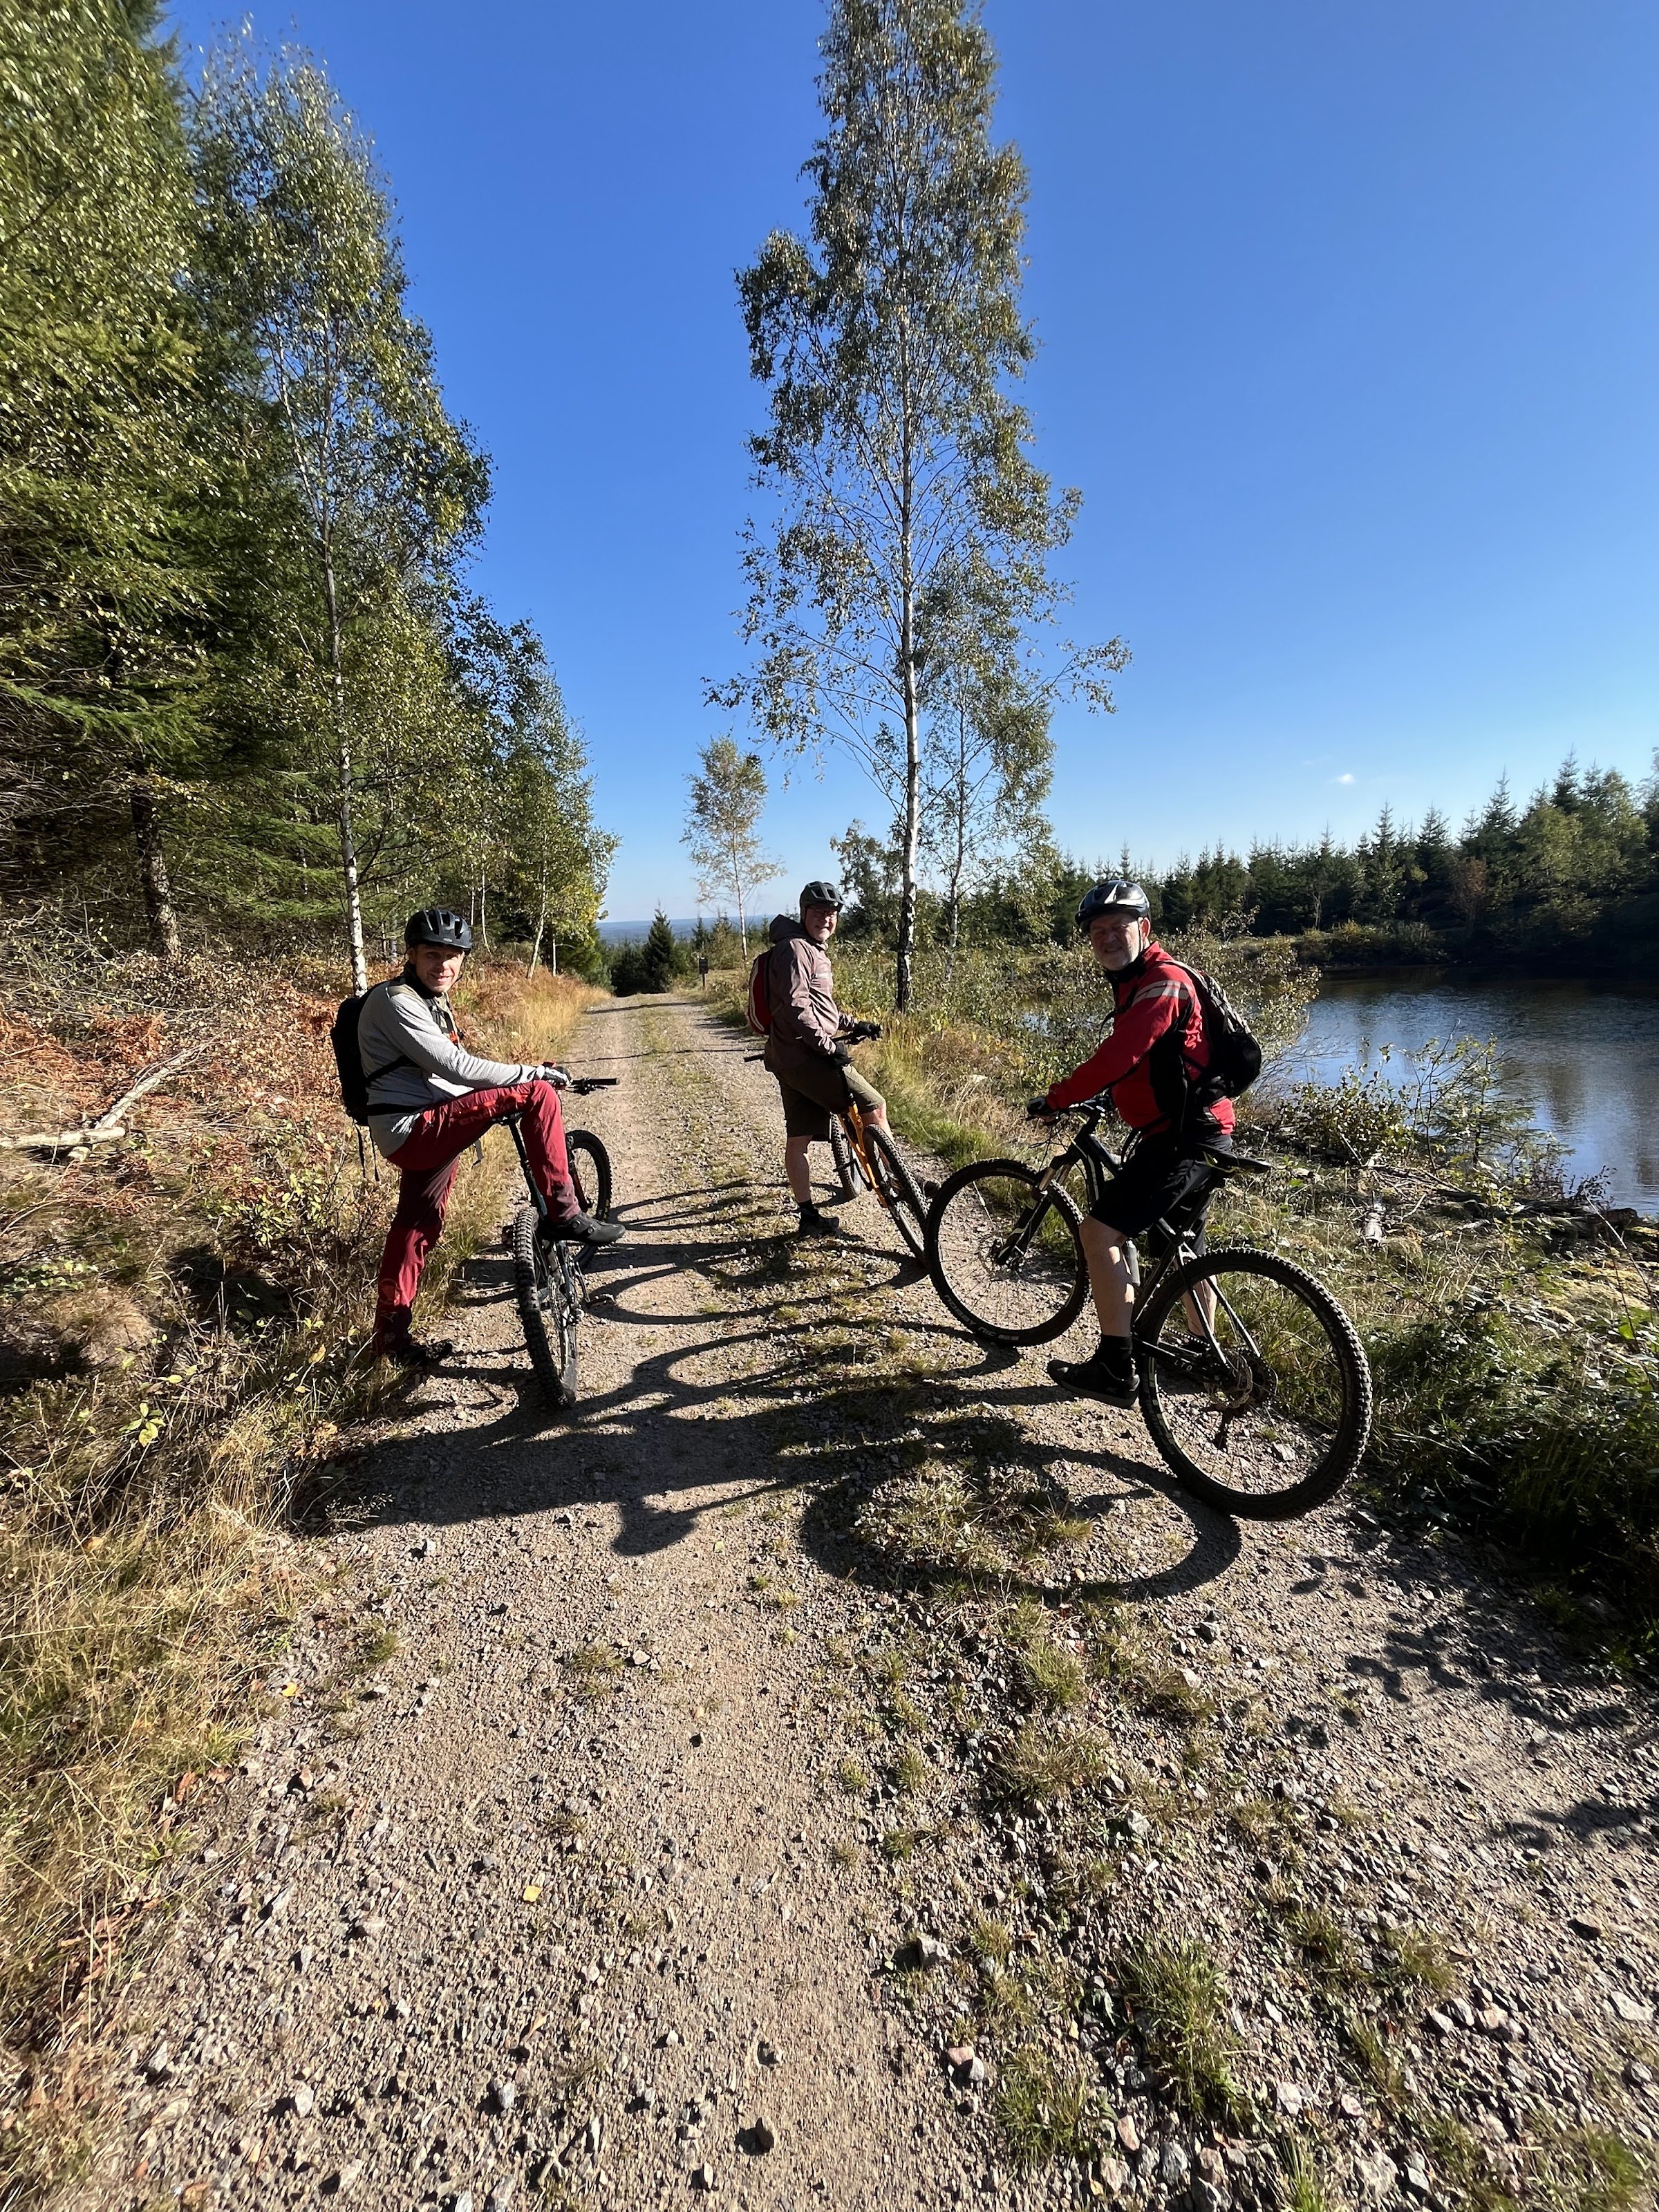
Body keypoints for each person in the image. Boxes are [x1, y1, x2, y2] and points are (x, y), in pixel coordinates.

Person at [362, 907, 624, 1369]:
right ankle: (563, 1213)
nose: (442, 965)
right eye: (431, 955)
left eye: (451, 956)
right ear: (411, 954)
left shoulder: (429, 1002)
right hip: (415, 1127)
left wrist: (511, 1082)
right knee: (537, 1094)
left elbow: (452, 1077)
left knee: (416, 1229)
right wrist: (532, 1074)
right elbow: (457, 1069)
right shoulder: (397, 1001)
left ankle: (392, 1342)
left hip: (417, 1127)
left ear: (462, 960)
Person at [1033, 881, 1233, 1405]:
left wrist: (1057, 1098)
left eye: (1117, 927)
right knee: (1181, 1247)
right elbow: (1157, 1058)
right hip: (1203, 1130)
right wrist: (1113, 1098)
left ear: (1144, 929)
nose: (1106, 938)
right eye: (1097, 931)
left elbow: (1121, 1053)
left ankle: (1115, 1368)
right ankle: (1201, 1353)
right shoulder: (1146, 980)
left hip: (1182, 1137)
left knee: (1099, 1234)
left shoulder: (1162, 982)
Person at [762, 879, 890, 1236]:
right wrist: (829, 1047)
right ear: (803, 913)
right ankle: (899, 1180)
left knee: (799, 1138)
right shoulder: (796, 950)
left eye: (832, 914)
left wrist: (854, 1024)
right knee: (874, 1103)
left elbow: (822, 1009)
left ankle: (808, 1216)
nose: (826, 919)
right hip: (805, 1058)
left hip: (786, 1059)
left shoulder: (806, 948)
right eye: (818, 912)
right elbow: (798, 1008)